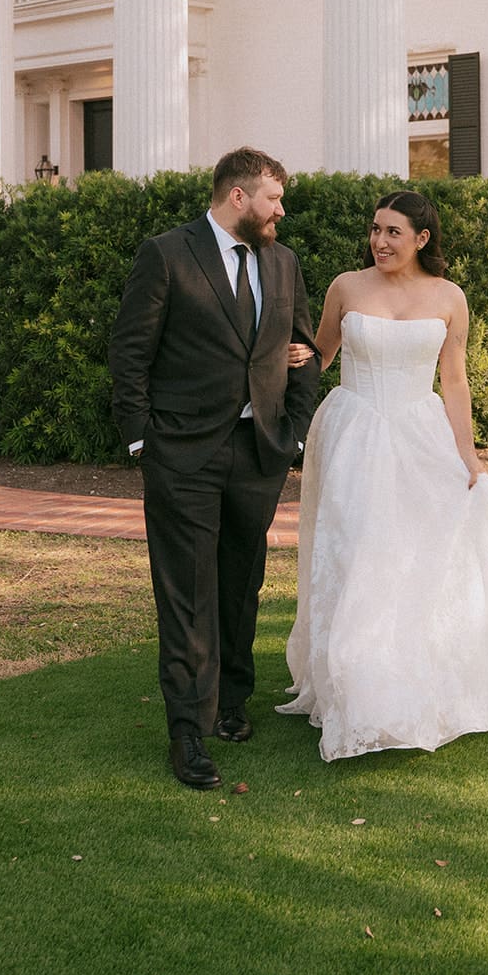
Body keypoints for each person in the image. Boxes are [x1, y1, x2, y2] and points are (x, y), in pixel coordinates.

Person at [277, 190, 488, 762]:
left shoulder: (450, 297)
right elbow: (321, 354)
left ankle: (411, 676)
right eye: (375, 230)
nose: (379, 241)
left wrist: (468, 456)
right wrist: (292, 361)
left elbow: (454, 381)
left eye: (393, 232)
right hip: (354, 434)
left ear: (421, 239)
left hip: (420, 432)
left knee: (414, 558)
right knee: (358, 555)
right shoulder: (346, 287)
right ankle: (354, 689)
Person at [109, 148, 321, 789]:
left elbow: (306, 350)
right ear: (238, 196)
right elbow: (130, 351)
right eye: (274, 199)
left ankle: (232, 703)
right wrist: (142, 441)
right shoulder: (168, 254)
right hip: (182, 454)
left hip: (258, 454)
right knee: (187, 593)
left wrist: (295, 431)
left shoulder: (282, 263)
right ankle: (187, 733)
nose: (281, 211)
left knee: (240, 582)